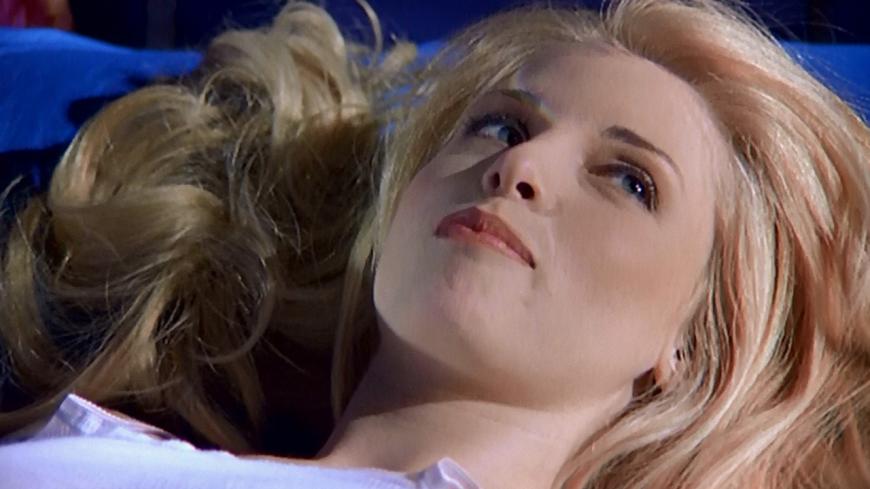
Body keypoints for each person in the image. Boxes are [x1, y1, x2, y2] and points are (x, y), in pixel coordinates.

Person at [1, 0, 869, 487]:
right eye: (500, 125)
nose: (519, 166)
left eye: (629, 180)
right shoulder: (99, 437)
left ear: (697, 335)